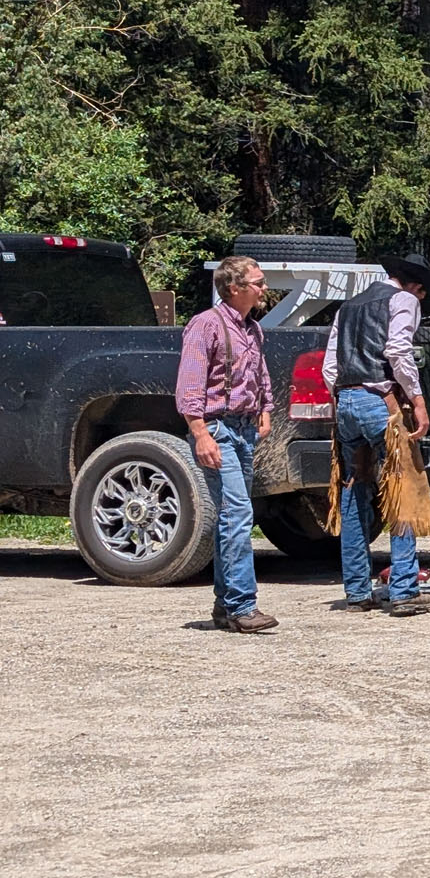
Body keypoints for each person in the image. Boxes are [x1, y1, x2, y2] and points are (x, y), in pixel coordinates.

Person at [323, 253, 430, 616]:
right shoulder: (404, 300)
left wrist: (344, 400)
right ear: (417, 287)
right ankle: (405, 589)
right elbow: (397, 350)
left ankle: (357, 592)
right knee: (402, 489)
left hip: (346, 400)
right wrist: (418, 400)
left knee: (353, 493)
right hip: (381, 402)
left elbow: (331, 365)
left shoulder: (349, 306)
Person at [176, 255, 279, 633]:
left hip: (244, 428)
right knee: (237, 513)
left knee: (231, 516)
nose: (264, 288)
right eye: (258, 282)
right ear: (234, 288)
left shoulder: (253, 328)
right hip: (216, 428)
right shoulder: (206, 325)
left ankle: (225, 605)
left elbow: (259, 371)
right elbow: (190, 385)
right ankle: (241, 606)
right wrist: (200, 432)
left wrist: (265, 407)